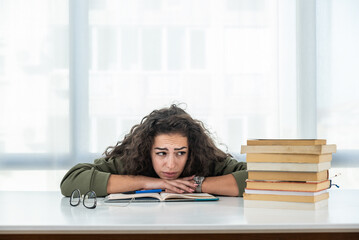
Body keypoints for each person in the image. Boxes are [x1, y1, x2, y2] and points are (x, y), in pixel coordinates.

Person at [60, 104, 247, 197]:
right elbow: (71, 181)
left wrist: (193, 185)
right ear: (147, 150)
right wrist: (147, 182)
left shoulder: (204, 159)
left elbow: (262, 177)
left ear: (192, 151)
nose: (171, 164)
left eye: (181, 153)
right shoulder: (132, 161)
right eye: (161, 153)